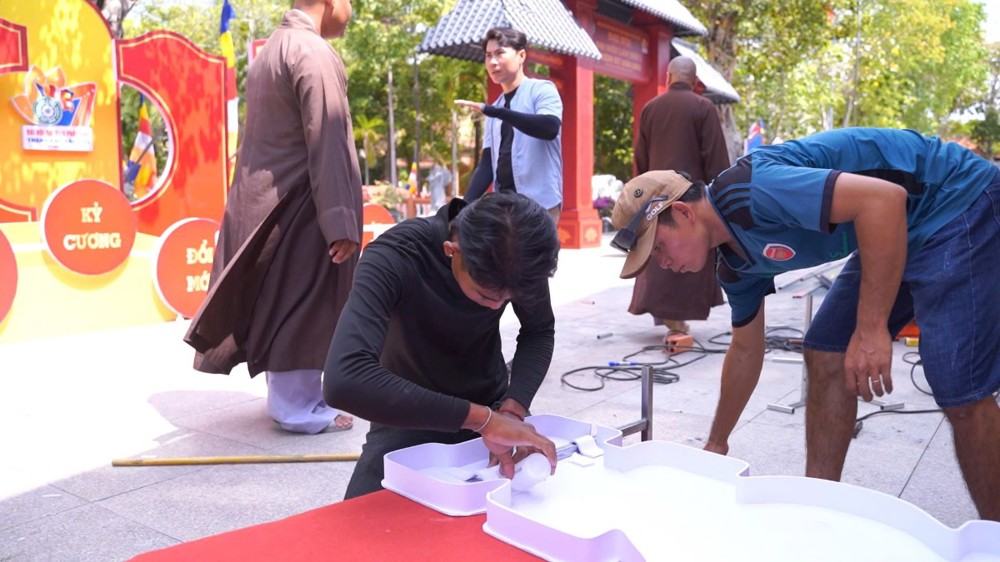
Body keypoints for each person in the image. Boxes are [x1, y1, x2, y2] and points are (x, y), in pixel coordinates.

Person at [610, 128, 1000, 521]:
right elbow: (745, 350)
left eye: (658, 248)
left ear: (683, 212)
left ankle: (992, 535)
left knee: (959, 389)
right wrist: (717, 444)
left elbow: (884, 200)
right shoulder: (735, 267)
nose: (663, 264)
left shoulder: (753, 190)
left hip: (954, 199)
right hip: (896, 223)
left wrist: (870, 329)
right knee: (826, 351)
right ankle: (819, 510)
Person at [184, 0, 360, 435]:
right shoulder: (312, 51)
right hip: (300, 201)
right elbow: (329, 140)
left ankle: (300, 399)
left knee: (283, 297)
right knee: (303, 300)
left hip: (275, 197)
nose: (350, 11)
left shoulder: (274, 48)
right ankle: (297, 408)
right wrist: (339, 219)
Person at [324, 192, 560, 499]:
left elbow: (538, 330)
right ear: (452, 251)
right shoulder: (396, 255)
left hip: (492, 401)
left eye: (509, 299)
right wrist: (483, 420)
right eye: (487, 295)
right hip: (408, 407)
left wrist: (512, 410)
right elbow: (345, 379)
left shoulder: (519, 255)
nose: (497, 306)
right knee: (362, 519)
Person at [630, 55, 730, 342]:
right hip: (691, 201)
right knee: (686, 255)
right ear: (695, 81)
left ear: (668, 78)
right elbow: (716, 161)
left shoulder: (651, 108)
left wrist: (641, 196)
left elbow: (640, 159)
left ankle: (669, 316)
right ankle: (676, 317)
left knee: (662, 254)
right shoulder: (703, 107)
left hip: (657, 197)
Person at [455, 27, 563, 222]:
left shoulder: (541, 90)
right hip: (504, 209)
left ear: (521, 56)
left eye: (499, 53)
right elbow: (487, 165)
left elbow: (549, 127)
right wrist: (462, 207)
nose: (492, 62)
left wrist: (497, 112)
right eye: (488, 56)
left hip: (540, 206)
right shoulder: (494, 108)